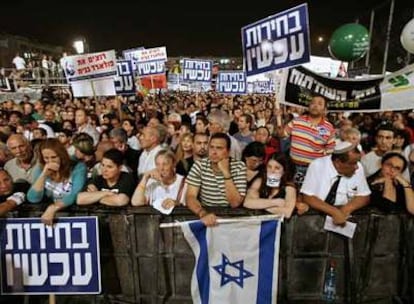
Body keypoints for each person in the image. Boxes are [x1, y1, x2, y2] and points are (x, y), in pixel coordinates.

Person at [301, 142, 371, 226]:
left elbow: (364, 196)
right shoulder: (318, 165)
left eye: (357, 162)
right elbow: (308, 196)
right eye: (352, 163)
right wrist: (333, 212)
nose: (356, 167)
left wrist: (346, 209)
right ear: (338, 162)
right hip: (316, 220)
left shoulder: (358, 167)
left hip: (344, 221)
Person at [185, 133, 247, 226]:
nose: (214, 152)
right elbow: (190, 196)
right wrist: (202, 213)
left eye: (219, 148)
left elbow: (235, 203)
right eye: (211, 147)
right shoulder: (200, 165)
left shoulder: (239, 166)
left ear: (228, 151)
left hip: (231, 218)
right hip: (207, 215)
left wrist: (226, 173)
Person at [27, 139, 87, 226]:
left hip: (73, 215)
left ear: (62, 156)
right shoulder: (40, 168)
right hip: (48, 217)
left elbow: (74, 194)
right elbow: (33, 198)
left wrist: (53, 208)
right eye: (46, 158)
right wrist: (43, 175)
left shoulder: (78, 167)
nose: (50, 161)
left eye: (54, 157)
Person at [278, 95, 336, 186]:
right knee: (292, 192)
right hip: (293, 167)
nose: (315, 105)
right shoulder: (296, 121)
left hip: (314, 170)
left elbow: (330, 151)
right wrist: (279, 118)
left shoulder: (329, 128)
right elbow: (282, 134)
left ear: (325, 109)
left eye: (319, 104)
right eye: (312, 103)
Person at [244, 153, 296, 218]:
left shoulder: (289, 187)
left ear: (284, 171)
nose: (272, 171)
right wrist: (275, 202)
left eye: (277, 168)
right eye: (269, 167)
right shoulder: (260, 181)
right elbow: (247, 202)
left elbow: (287, 213)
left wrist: (260, 205)